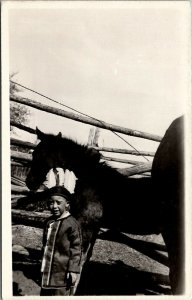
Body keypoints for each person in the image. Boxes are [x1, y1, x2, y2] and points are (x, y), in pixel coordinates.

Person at [40, 186, 82, 296]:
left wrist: (73, 270)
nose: (54, 206)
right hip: (47, 269)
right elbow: (45, 244)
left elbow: (76, 249)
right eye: (51, 203)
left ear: (67, 204)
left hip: (62, 272)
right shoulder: (48, 222)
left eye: (58, 203)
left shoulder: (72, 224)